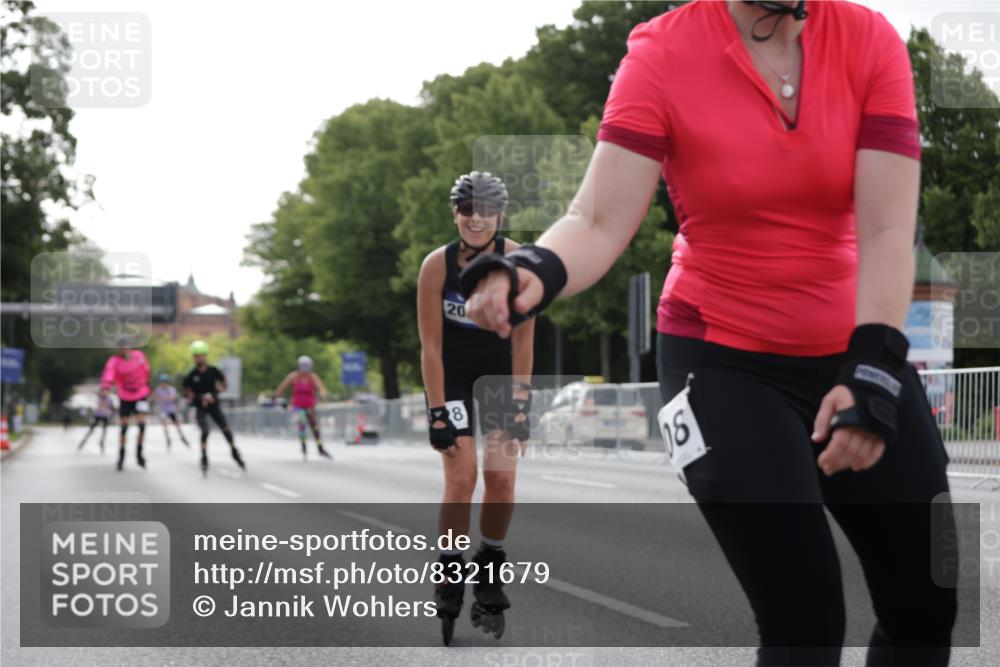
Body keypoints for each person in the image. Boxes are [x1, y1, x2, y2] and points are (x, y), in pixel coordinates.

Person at [460, 2, 956, 664]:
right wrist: (533, 270)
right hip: (724, 363)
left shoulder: (869, 39)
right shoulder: (663, 52)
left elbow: (889, 229)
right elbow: (599, 219)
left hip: (857, 347)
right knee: (805, 616)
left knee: (926, 601)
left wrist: (870, 367)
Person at [416, 171, 535, 644]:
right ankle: (449, 571)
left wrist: (522, 402)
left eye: (486, 210)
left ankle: (489, 564)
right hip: (455, 379)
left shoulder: (519, 261)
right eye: (467, 209)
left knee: (502, 479)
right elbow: (429, 345)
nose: (476, 219)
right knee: (461, 478)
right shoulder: (436, 266)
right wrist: (438, 410)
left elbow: (525, 342)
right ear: (455, 213)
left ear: (500, 215)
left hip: (503, 379)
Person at [182, 340, 245, 475]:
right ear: (194, 357)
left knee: (225, 429)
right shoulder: (191, 375)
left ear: (206, 356)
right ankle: (204, 455)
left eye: (202, 355)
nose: (200, 358)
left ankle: (234, 450)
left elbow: (224, 384)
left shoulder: (213, 371)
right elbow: (187, 392)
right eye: (197, 355)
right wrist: (200, 397)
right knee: (205, 431)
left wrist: (215, 393)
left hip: (214, 404)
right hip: (200, 406)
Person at [101, 337, 152, 471]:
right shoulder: (114, 361)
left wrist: (145, 384)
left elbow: (146, 370)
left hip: (140, 394)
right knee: (124, 427)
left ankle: (139, 453)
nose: (123, 349)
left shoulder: (139, 356)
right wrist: (106, 386)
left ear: (129, 346)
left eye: (125, 346)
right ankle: (121, 455)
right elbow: (109, 374)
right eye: (120, 347)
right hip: (125, 395)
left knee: (142, 425)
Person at [272, 355, 332, 459]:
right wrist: (275, 395)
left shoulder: (312, 377)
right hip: (297, 405)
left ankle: (320, 447)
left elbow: (321, 388)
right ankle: (304, 446)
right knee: (302, 423)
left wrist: (322, 395)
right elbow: (282, 386)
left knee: (314, 427)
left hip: (309, 405)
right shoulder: (293, 376)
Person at [154, 373, 189, 448]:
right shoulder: (158, 389)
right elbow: (157, 398)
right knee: (165, 424)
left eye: (165, 381)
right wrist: (165, 399)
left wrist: (164, 398)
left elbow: (173, 397)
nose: (164, 383)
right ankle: (168, 438)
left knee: (177, 424)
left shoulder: (171, 389)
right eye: (163, 381)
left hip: (171, 409)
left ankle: (182, 436)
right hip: (163, 409)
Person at [77, 386, 114, 453]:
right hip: (97, 416)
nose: (104, 393)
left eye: (106, 391)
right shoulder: (97, 398)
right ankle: (83, 442)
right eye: (103, 391)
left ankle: (102, 443)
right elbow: (94, 406)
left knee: (104, 431)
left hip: (105, 417)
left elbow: (111, 408)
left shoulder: (109, 399)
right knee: (91, 430)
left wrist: (109, 413)